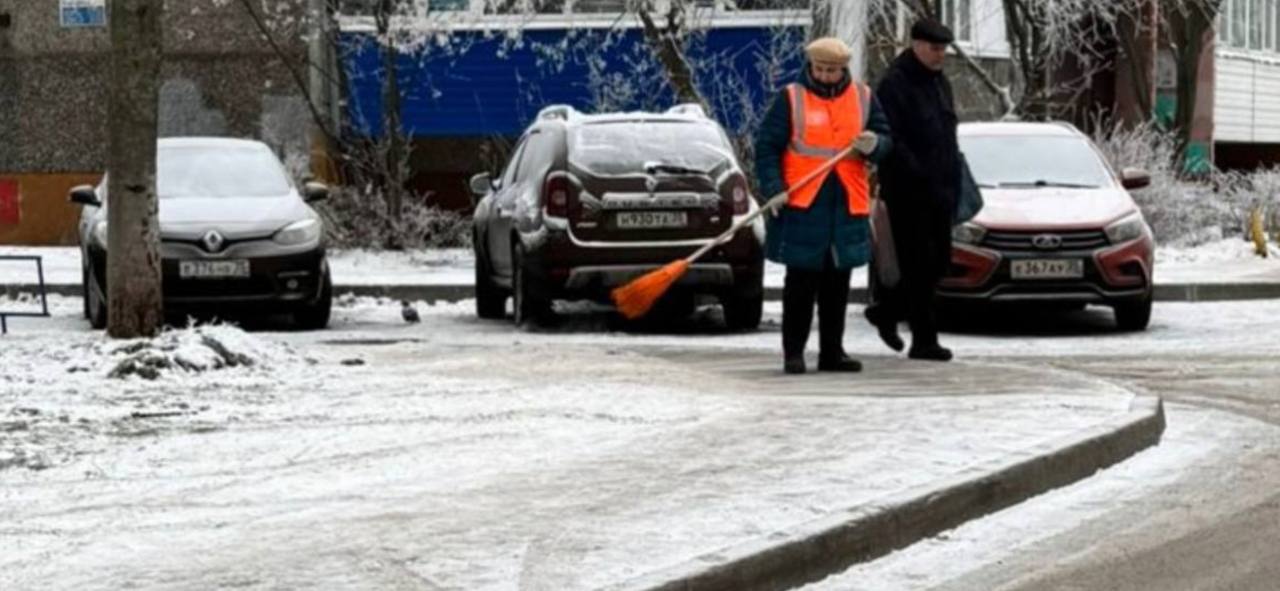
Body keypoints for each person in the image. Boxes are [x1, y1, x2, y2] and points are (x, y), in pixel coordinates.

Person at [754, 37, 894, 375]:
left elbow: (886, 139)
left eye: (833, 70)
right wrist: (774, 188)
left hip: (846, 202)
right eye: (820, 69)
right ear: (811, 66)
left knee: (837, 284)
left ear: (844, 68)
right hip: (803, 203)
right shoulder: (791, 98)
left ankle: (832, 352)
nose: (827, 75)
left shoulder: (862, 97)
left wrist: (874, 144)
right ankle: (794, 354)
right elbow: (767, 147)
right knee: (800, 285)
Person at [865, 19, 961, 362]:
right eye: (934, 49)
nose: (940, 56)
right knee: (919, 266)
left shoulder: (940, 84)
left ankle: (887, 311)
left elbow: (947, 135)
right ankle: (924, 340)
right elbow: (894, 139)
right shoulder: (896, 84)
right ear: (917, 45)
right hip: (909, 191)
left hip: (941, 189)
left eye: (943, 50)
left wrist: (953, 179)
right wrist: (919, 176)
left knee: (938, 263)